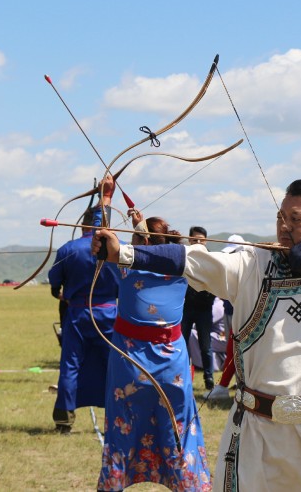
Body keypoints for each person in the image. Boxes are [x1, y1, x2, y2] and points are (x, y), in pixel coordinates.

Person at [93, 178, 301, 491]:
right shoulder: (251, 264)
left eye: (297, 220)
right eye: (282, 217)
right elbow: (193, 261)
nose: (285, 227)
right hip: (257, 432)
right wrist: (124, 253)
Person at [97, 211, 211, 492]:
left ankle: (114, 484)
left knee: (122, 428)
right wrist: (139, 229)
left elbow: (103, 240)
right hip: (172, 364)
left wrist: (106, 201)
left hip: (129, 364)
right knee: (179, 430)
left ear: (139, 242)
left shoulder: (126, 268)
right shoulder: (184, 268)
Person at [49, 176, 121, 435]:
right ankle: (116, 418)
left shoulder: (69, 249)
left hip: (78, 313)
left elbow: (54, 282)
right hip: (110, 313)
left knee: (70, 364)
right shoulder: (118, 248)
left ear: (84, 225)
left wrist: (61, 291)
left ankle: (64, 422)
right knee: (113, 366)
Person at [208, 234, 246, 401]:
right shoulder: (230, 268)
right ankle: (231, 384)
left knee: (239, 350)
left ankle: (234, 385)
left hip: (242, 313)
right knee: (231, 349)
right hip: (230, 311)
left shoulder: (248, 269)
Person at [181, 226, 216, 390]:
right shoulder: (184, 257)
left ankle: (209, 377)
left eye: (201, 239)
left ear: (206, 240)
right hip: (186, 307)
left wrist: (209, 296)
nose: (198, 242)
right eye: (195, 239)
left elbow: (217, 282)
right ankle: (184, 374)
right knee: (182, 343)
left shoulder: (211, 258)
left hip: (204, 309)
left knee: (205, 346)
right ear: (189, 240)